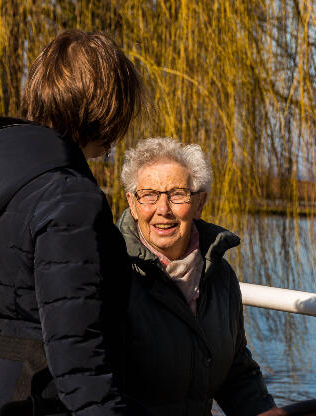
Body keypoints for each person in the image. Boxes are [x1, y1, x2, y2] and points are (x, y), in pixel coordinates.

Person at [0, 29, 142, 416]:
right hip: (40, 400)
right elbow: (77, 356)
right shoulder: (68, 196)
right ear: (103, 105)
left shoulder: (0, 177)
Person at [116, 137, 285, 416]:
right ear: (132, 204)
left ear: (199, 202)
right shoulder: (113, 270)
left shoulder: (220, 277)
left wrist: (262, 410)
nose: (163, 208)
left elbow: (235, 370)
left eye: (177, 194)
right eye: (148, 195)